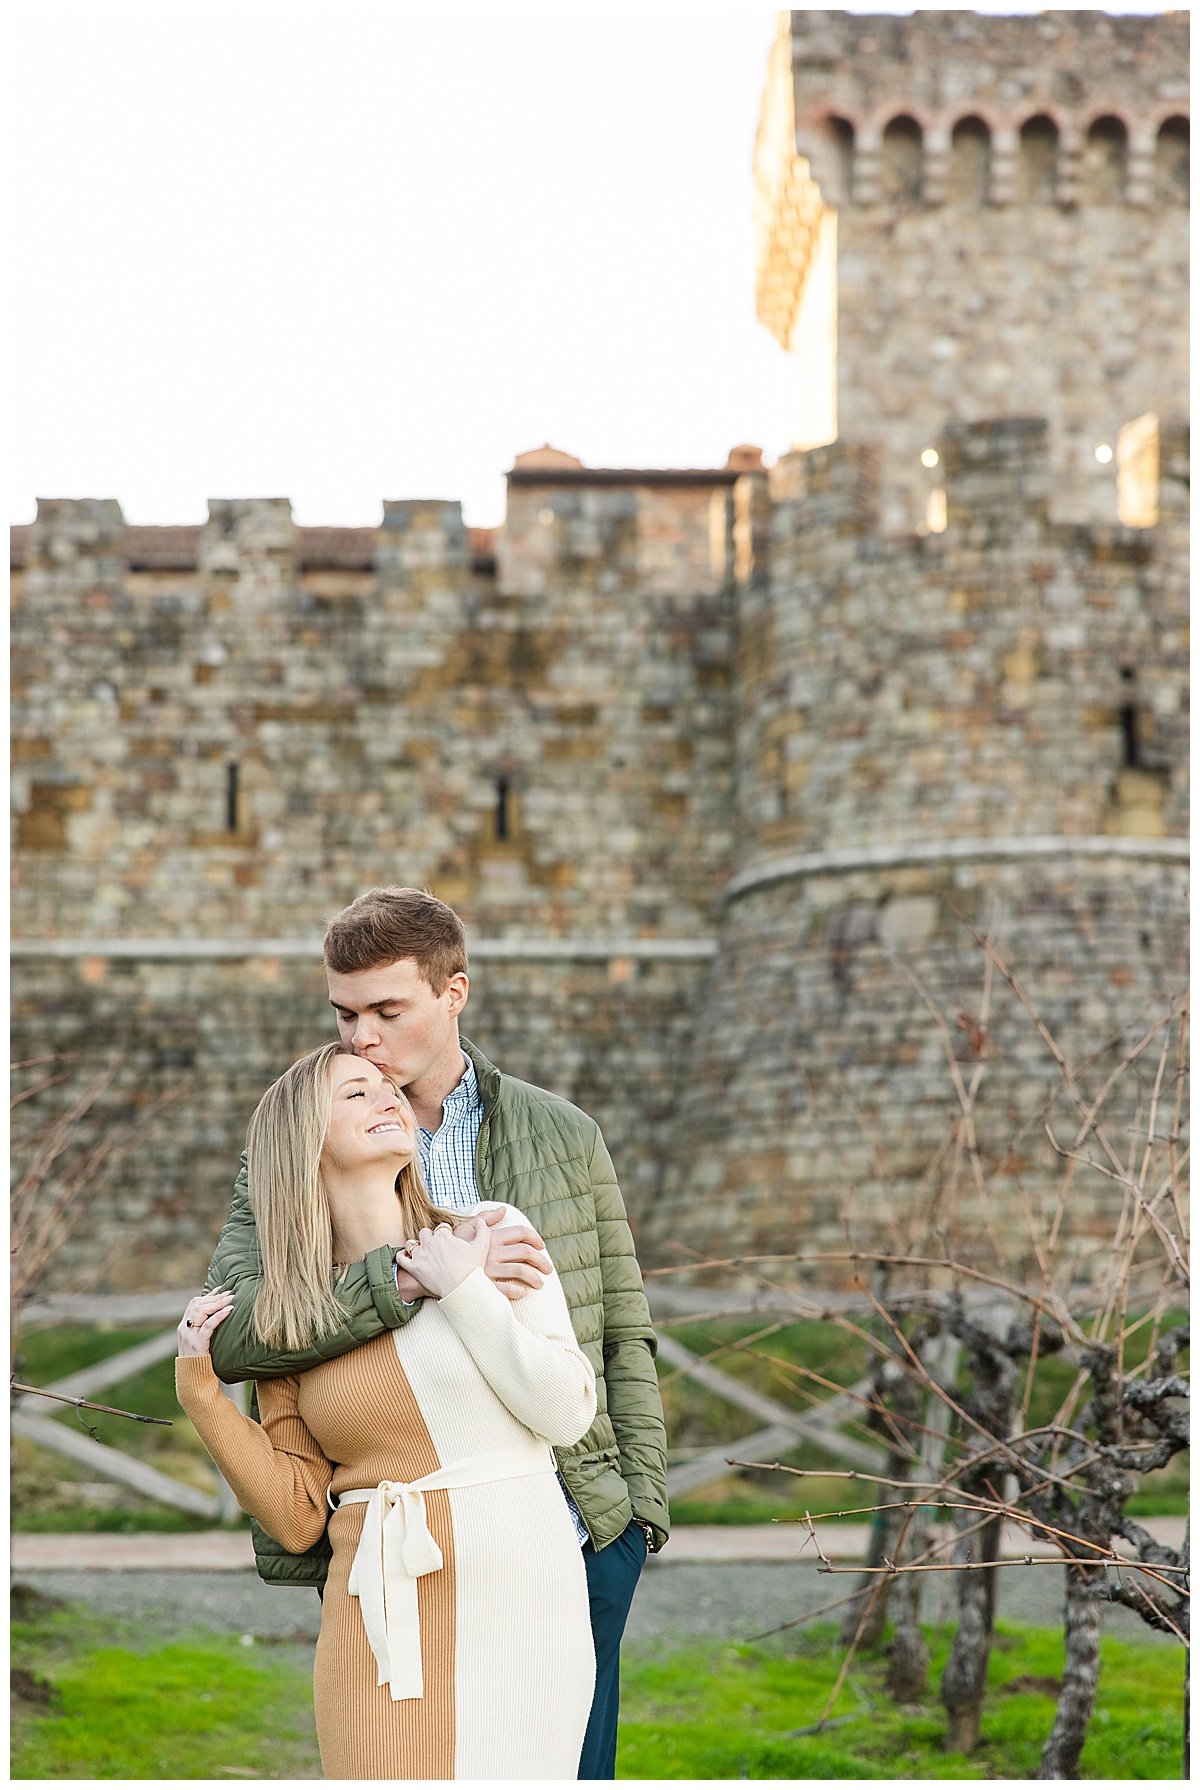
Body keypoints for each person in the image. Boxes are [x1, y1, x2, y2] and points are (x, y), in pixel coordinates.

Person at [205, 885, 669, 1780]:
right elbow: (240, 1340)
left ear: (453, 993)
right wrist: (407, 1282)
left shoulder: (560, 1135)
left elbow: (622, 1329)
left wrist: (635, 1518)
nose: (361, 1038)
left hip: (575, 1522)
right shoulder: (298, 1144)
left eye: (388, 1010)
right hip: (397, 1540)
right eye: (345, 1014)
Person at [178, 1043, 597, 1780]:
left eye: (388, 1088)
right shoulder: (293, 1319)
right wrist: (202, 1396)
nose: (389, 1099)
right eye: (355, 1094)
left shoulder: (488, 1231)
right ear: (302, 1141)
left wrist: (462, 1288)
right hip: (380, 1611)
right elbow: (299, 1514)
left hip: (522, 1593)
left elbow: (565, 1413)